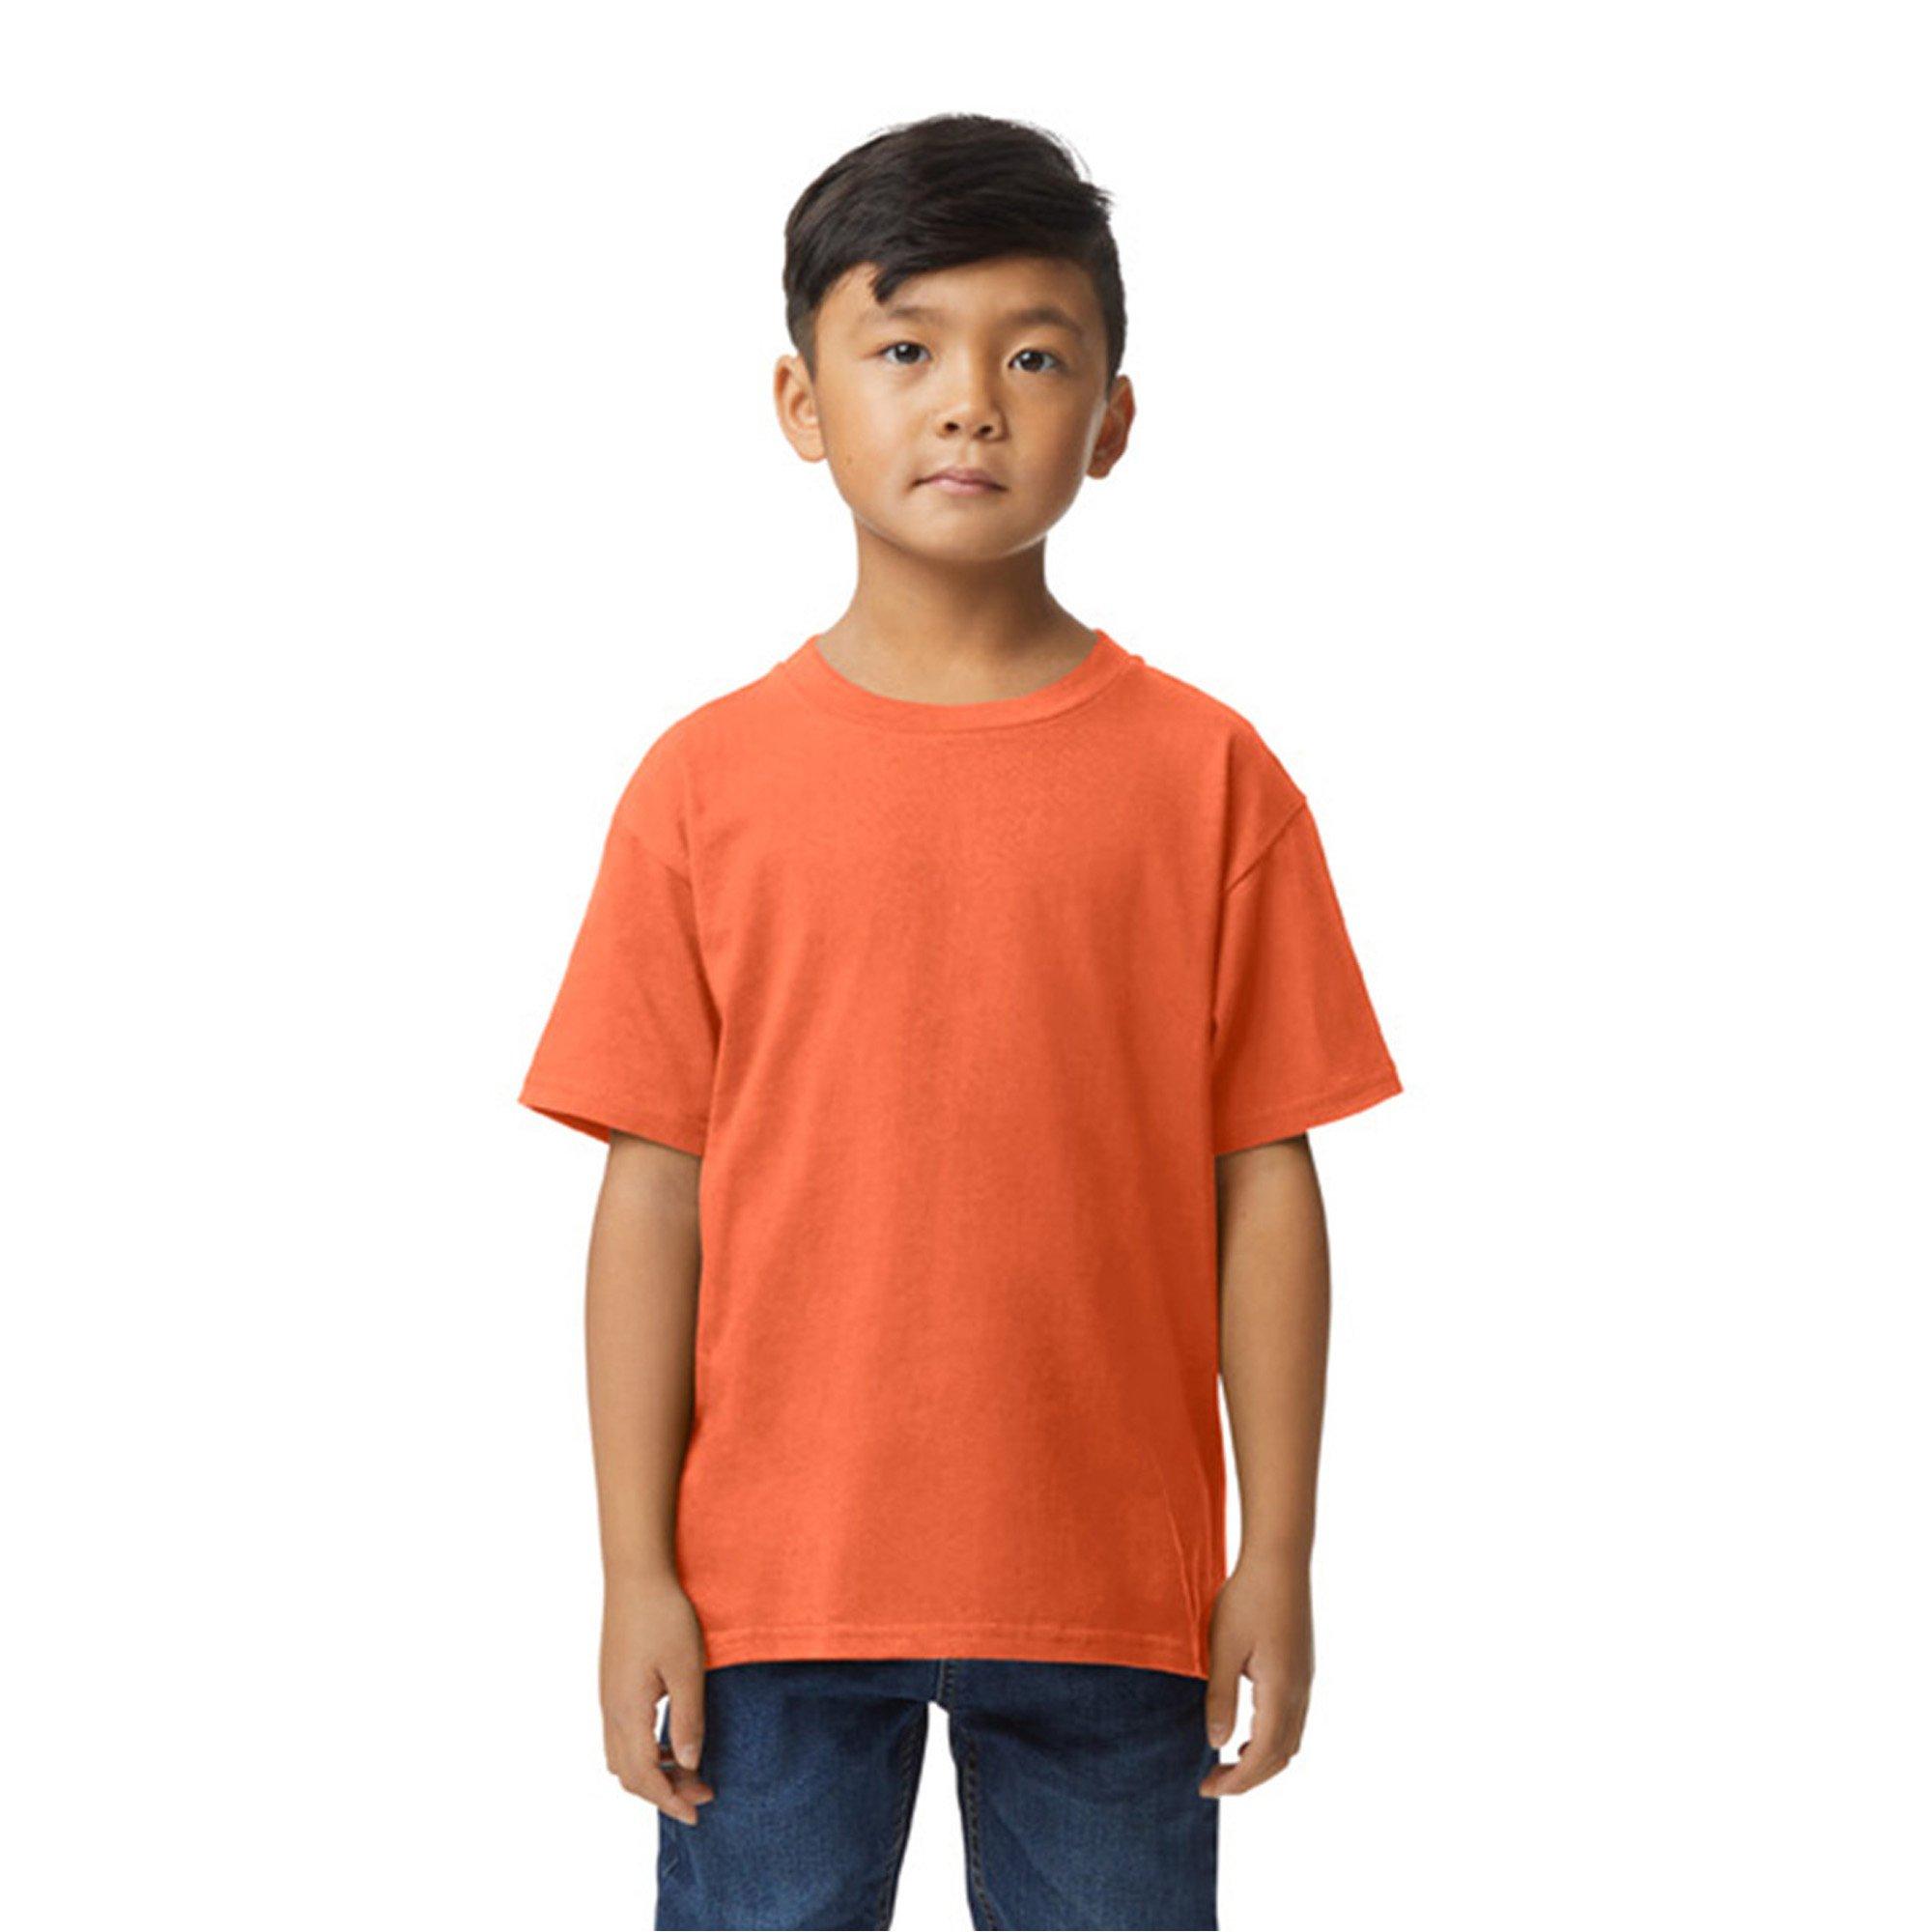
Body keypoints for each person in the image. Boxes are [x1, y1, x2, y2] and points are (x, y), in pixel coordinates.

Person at [517, 110, 1403, 1932]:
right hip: (773, 1588)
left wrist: (1281, 1554)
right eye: (907, 348)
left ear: (1116, 418)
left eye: (1035, 358)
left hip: (1114, 1587)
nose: (972, 407)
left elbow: (1267, 1180)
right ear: (801, 401)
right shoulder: (703, 789)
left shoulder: (1212, 782)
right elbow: (652, 1192)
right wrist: (632, 1572)